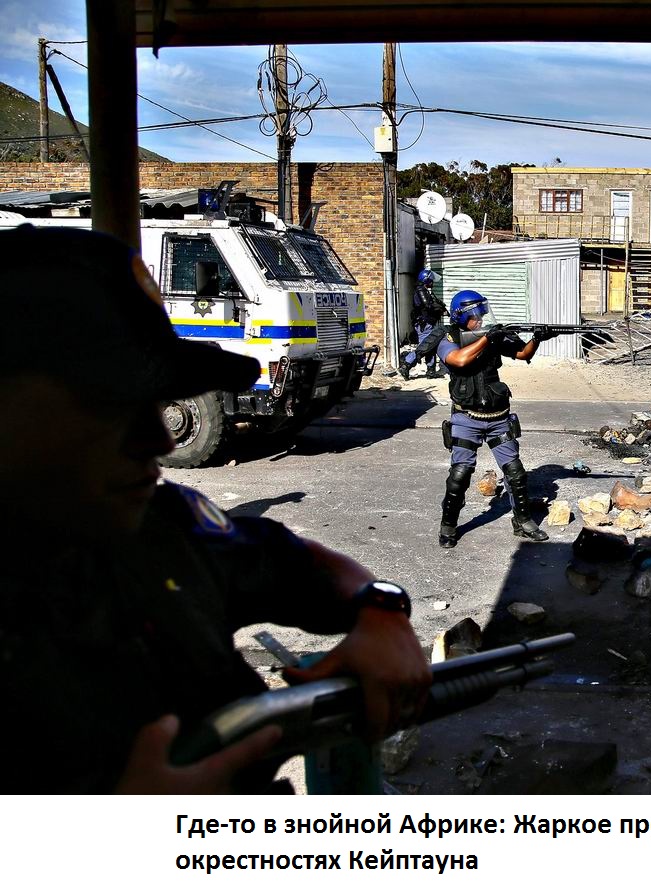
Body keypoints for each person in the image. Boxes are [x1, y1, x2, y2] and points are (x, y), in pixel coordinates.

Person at [0, 225, 431, 793]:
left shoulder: (164, 528)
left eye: (157, 402)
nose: (161, 439)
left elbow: (296, 563)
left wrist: (378, 610)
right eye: (111, 405)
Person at [435, 289, 557, 549]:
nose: (479, 319)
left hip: (498, 417)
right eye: (473, 315)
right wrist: (487, 339)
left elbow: (523, 354)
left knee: (515, 473)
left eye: (481, 313)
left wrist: (537, 338)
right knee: (460, 474)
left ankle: (523, 522)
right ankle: (448, 525)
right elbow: (458, 360)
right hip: (466, 418)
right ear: (460, 316)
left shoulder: (491, 336)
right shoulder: (449, 337)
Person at [399, 269, 446, 380]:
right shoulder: (421, 290)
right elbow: (428, 305)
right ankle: (406, 364)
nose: (432, 282)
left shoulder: (425, 290)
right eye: (431, 280)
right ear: (426, 280)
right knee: (425, 347)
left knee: (430, 345)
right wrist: (439, 309)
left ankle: (431, 370)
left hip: (427, 323)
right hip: (424, 324)